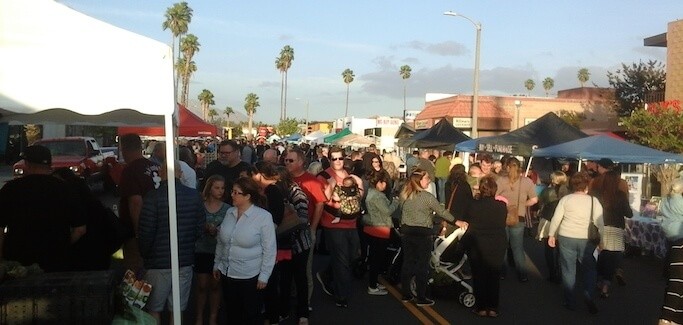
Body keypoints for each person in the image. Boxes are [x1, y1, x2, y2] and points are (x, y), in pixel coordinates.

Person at [0, 145, 86, 272]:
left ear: (27, 164)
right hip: (57, 261)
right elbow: (80, 229)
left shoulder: (11, 189)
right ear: (49, 165)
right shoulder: (65, 188)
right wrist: (62, 246)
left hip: (18, 261)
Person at [138, 161, 205, 323]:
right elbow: (199, 228)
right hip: (184, 260)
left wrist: (145, 256)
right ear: (180, 173)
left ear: (161, 173)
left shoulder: (152, 197)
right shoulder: (194, 196)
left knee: (154, 308)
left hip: (158, 262)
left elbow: (146, 232)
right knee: (178, 308)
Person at [399, 168, 468, 307]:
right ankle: (421, 296)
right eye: (427, 178)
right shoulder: (427, 197)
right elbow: (442, 212)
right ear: (420, 180)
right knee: (422, 265)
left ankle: (406, 294)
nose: (429, 181)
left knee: (408, 263)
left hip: (407, 231)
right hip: (423, 233)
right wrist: (456, 221)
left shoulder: (405, 194)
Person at [213, 177, 276, 325]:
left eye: (236, 192)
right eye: (232, 191)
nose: (232, 195)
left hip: (250, 276)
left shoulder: (263, 217)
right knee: (232, 313)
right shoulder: (229, 213)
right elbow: (222, 242)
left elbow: (270, 248)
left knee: (250, 315)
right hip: (227, 273)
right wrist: (217, 263)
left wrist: (264, 275)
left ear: (248, 196)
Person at [548, 171, 604, 314]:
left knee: (568, 269)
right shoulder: (593, 201)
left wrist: (551, 235)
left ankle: (569, 300)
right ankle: (588, 294)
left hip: (566, 235)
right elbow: (600, 223)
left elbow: (556, 219)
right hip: (587, 239)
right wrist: (603, 240)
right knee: (590, 269)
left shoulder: (566, 200)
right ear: (587, 186)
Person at [316, 147, 364, 308]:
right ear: (329, 160)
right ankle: (341, 295)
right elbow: (321, 200)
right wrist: (330, 186)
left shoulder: (351, 177)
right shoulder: (324, 176)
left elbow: (359, 198)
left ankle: (327, 274)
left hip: (351, 223)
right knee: (342, 261)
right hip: (333, 224)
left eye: (340, 158)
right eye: (334, 159)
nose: (337, 161)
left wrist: (360, 184)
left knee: (353, 256)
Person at [53, 168, 120, 271]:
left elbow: (80, 230)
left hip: (83, 253)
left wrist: (61, 249)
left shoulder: (72, 201)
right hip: (101, 250)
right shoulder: (91, 200)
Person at [285, 148, 327, 310]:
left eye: (291, 160)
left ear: (301, 162)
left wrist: (313, 229)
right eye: (286, 160)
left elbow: (320, 204)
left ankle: (305, 303)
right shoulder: (284, 179)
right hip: (286, 233)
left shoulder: (312, 181)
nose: (287, 163)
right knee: (288, 269)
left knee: (305, 270)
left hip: (305, 232)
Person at [465, 176, 507, 318]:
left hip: (478, 243)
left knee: (479, 276)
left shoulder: (473, 205)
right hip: (497, 243)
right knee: (494, 276)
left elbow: (469, 221)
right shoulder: (501, 206)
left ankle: (481, 307)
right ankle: (493, 307)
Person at [118, 133, 161, 271]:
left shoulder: (130, 171)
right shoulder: (156, 166)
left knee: (135, 269)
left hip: (139, 230)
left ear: (124, 149)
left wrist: (138, 234)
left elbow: (135, 203)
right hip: (159, 225)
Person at [194, 175, 230, 325]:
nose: (220, 191)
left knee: (215, 285)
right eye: (217, 187)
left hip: (218, 251)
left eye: (222, 188)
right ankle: (199, 316)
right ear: (209, 189)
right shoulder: (200, 206)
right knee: (202, 285)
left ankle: (213, 317)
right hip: (202, 249)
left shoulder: (227, 209)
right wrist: (204, 228)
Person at [496, 157, 538, 282]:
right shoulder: (527, 182)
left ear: (507, 167)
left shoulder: (501, 180)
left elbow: (494, 196)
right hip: (519, 217)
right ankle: (522, 274)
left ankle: (502, 273)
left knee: (502, 246)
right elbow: (534, 200)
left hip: (502, 216)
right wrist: (522, 205)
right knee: (518, 248)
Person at [596, 170, 633, 298]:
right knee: (613, 258)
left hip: (601, 227)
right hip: (617, 228)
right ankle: (606, 285)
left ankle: (599, 280)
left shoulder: (598, 194)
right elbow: (629, 213)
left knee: (602, 256)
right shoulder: (621, 195)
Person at [362, 171, 399, 296]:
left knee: (375, 258)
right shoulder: (377, 196)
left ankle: (374, 283)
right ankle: (372, 286)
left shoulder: (372, 193)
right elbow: (387, 211)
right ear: (379, 183)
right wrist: (396, 202)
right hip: (380, 228)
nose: (386, 186)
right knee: (377, 259)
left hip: (373, 227)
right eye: (384, 183)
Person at [536, 171, 570, 283]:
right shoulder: (568, 192)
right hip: (563, 222)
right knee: (561, 249)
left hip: (548, 220)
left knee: (549, 249)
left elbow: (541, 203)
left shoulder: (547, 191)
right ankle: (560, 272)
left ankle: (552, 273)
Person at [660, 180, 683, 325]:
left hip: (672, 238)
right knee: (678, 278)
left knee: (675, 277)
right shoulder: (679, 202)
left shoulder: (665, 200)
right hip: (680, 236)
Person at [203, 140, 252, 205]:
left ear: (236, 152)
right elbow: (204, 187)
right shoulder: (213, 166)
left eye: (227, 153)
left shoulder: (246, 169)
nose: (223, 156)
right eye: (221, 153)